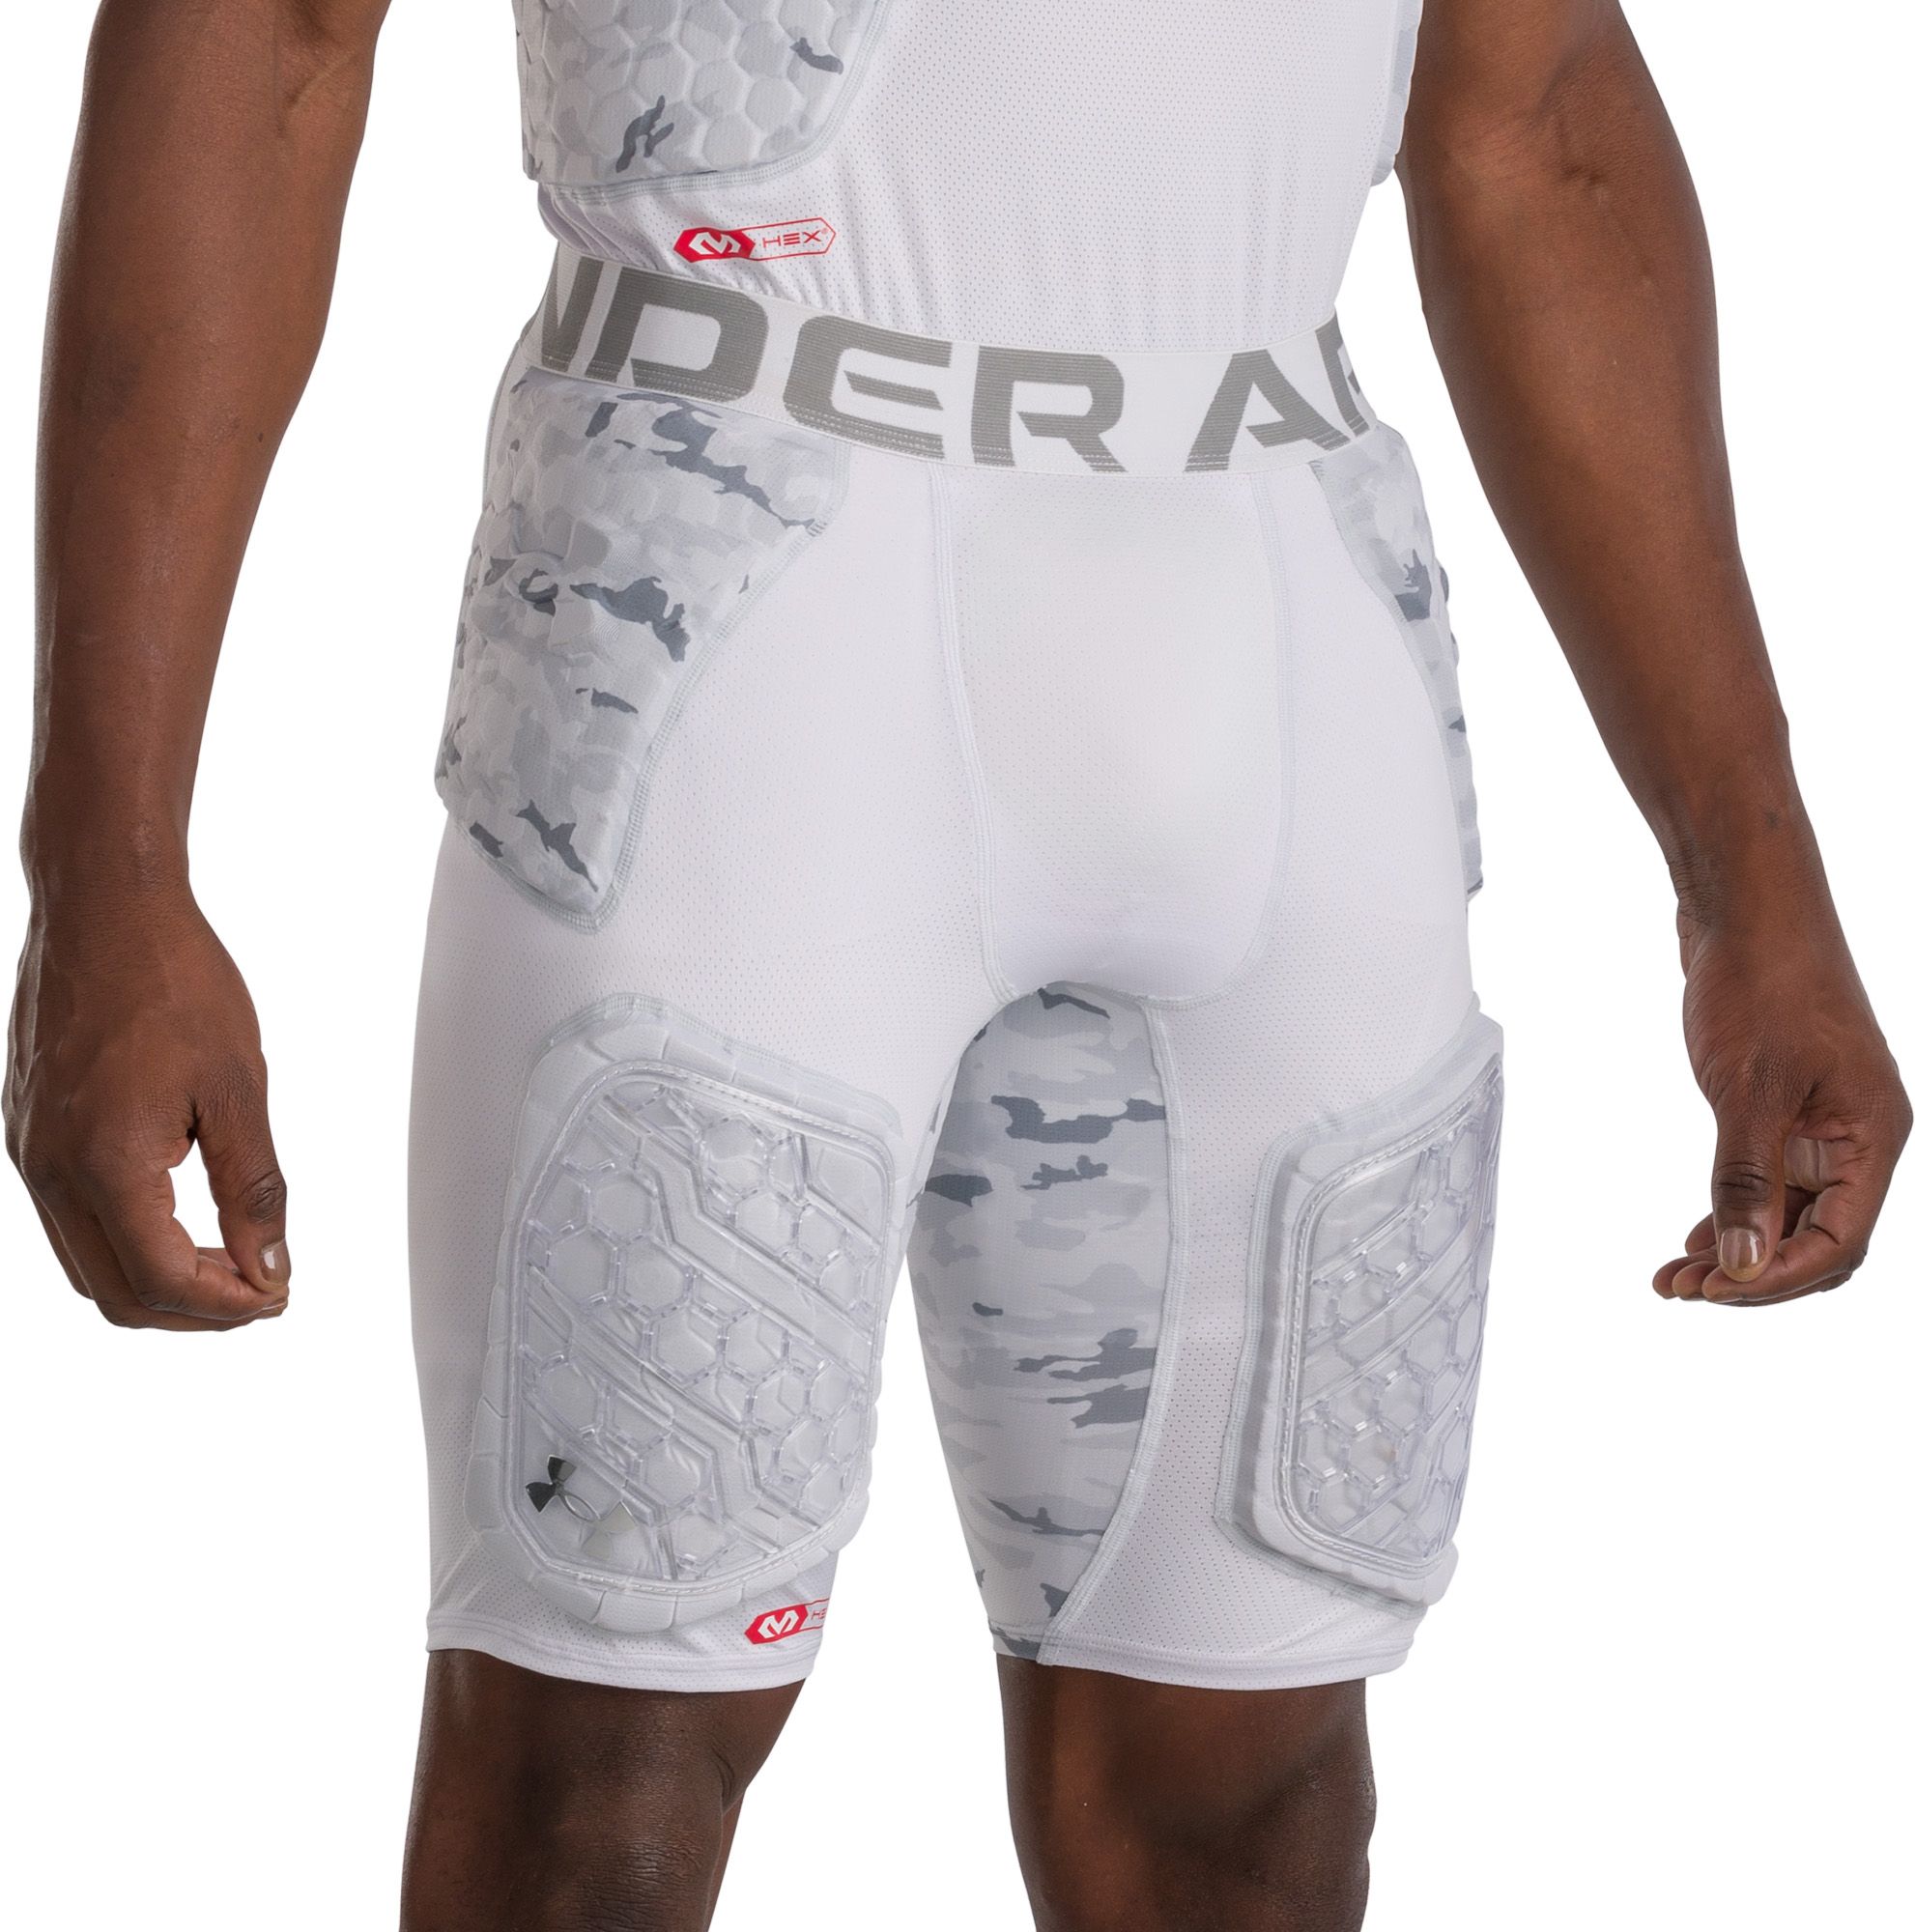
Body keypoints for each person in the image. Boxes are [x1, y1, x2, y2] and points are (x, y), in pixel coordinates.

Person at [8, 3, 1905, 1927]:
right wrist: (107, 863)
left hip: (1289, 596)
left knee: (1243, 1797)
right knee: (599, 1773)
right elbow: (264, 43)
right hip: (739, 612)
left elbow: (1536, 119)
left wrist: (1748, 880)